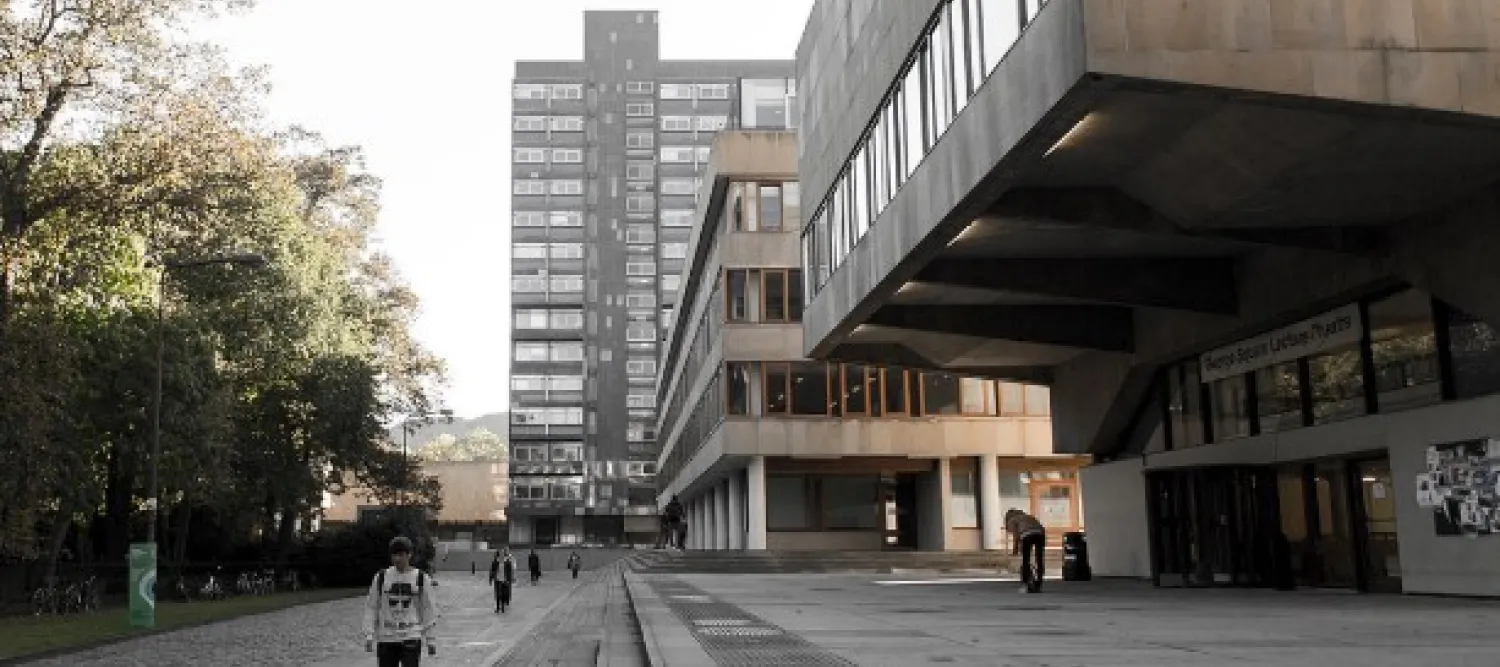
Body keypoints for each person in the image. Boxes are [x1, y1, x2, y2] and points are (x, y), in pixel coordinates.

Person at [363, 536, 439, 666]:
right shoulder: (381, 577)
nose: (397, 559)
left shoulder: (421, 578)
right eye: (394, 555)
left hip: (411, 636)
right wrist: (369, 634)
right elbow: (372, 606)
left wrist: (430, 639)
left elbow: (428, 608)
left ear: (409, 555)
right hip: (386, 636)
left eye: (401, 555)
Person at [1005, 509, 1046, 593]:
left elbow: (1016, 535)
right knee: (1039, 559)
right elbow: (1040, 526)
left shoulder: (1012, 520)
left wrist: (1015, 549)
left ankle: (1025, 584)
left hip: (1026, 535)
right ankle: (1039, 582)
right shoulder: (1028, 517)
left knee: (1026, 560)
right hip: (1040, 534)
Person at [488, 549, 516, 613]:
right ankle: (498, 608)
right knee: (498, 594)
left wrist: (510, 579)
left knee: (503, 594)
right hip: (497, 580)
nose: (502, 555)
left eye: (503, 554)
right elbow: (492, 571)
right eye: (501, 554)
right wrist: (490, 579)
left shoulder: (507, 562)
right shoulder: (495, 562)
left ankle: (503, 608)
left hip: (504, 580)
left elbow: (509, 572)